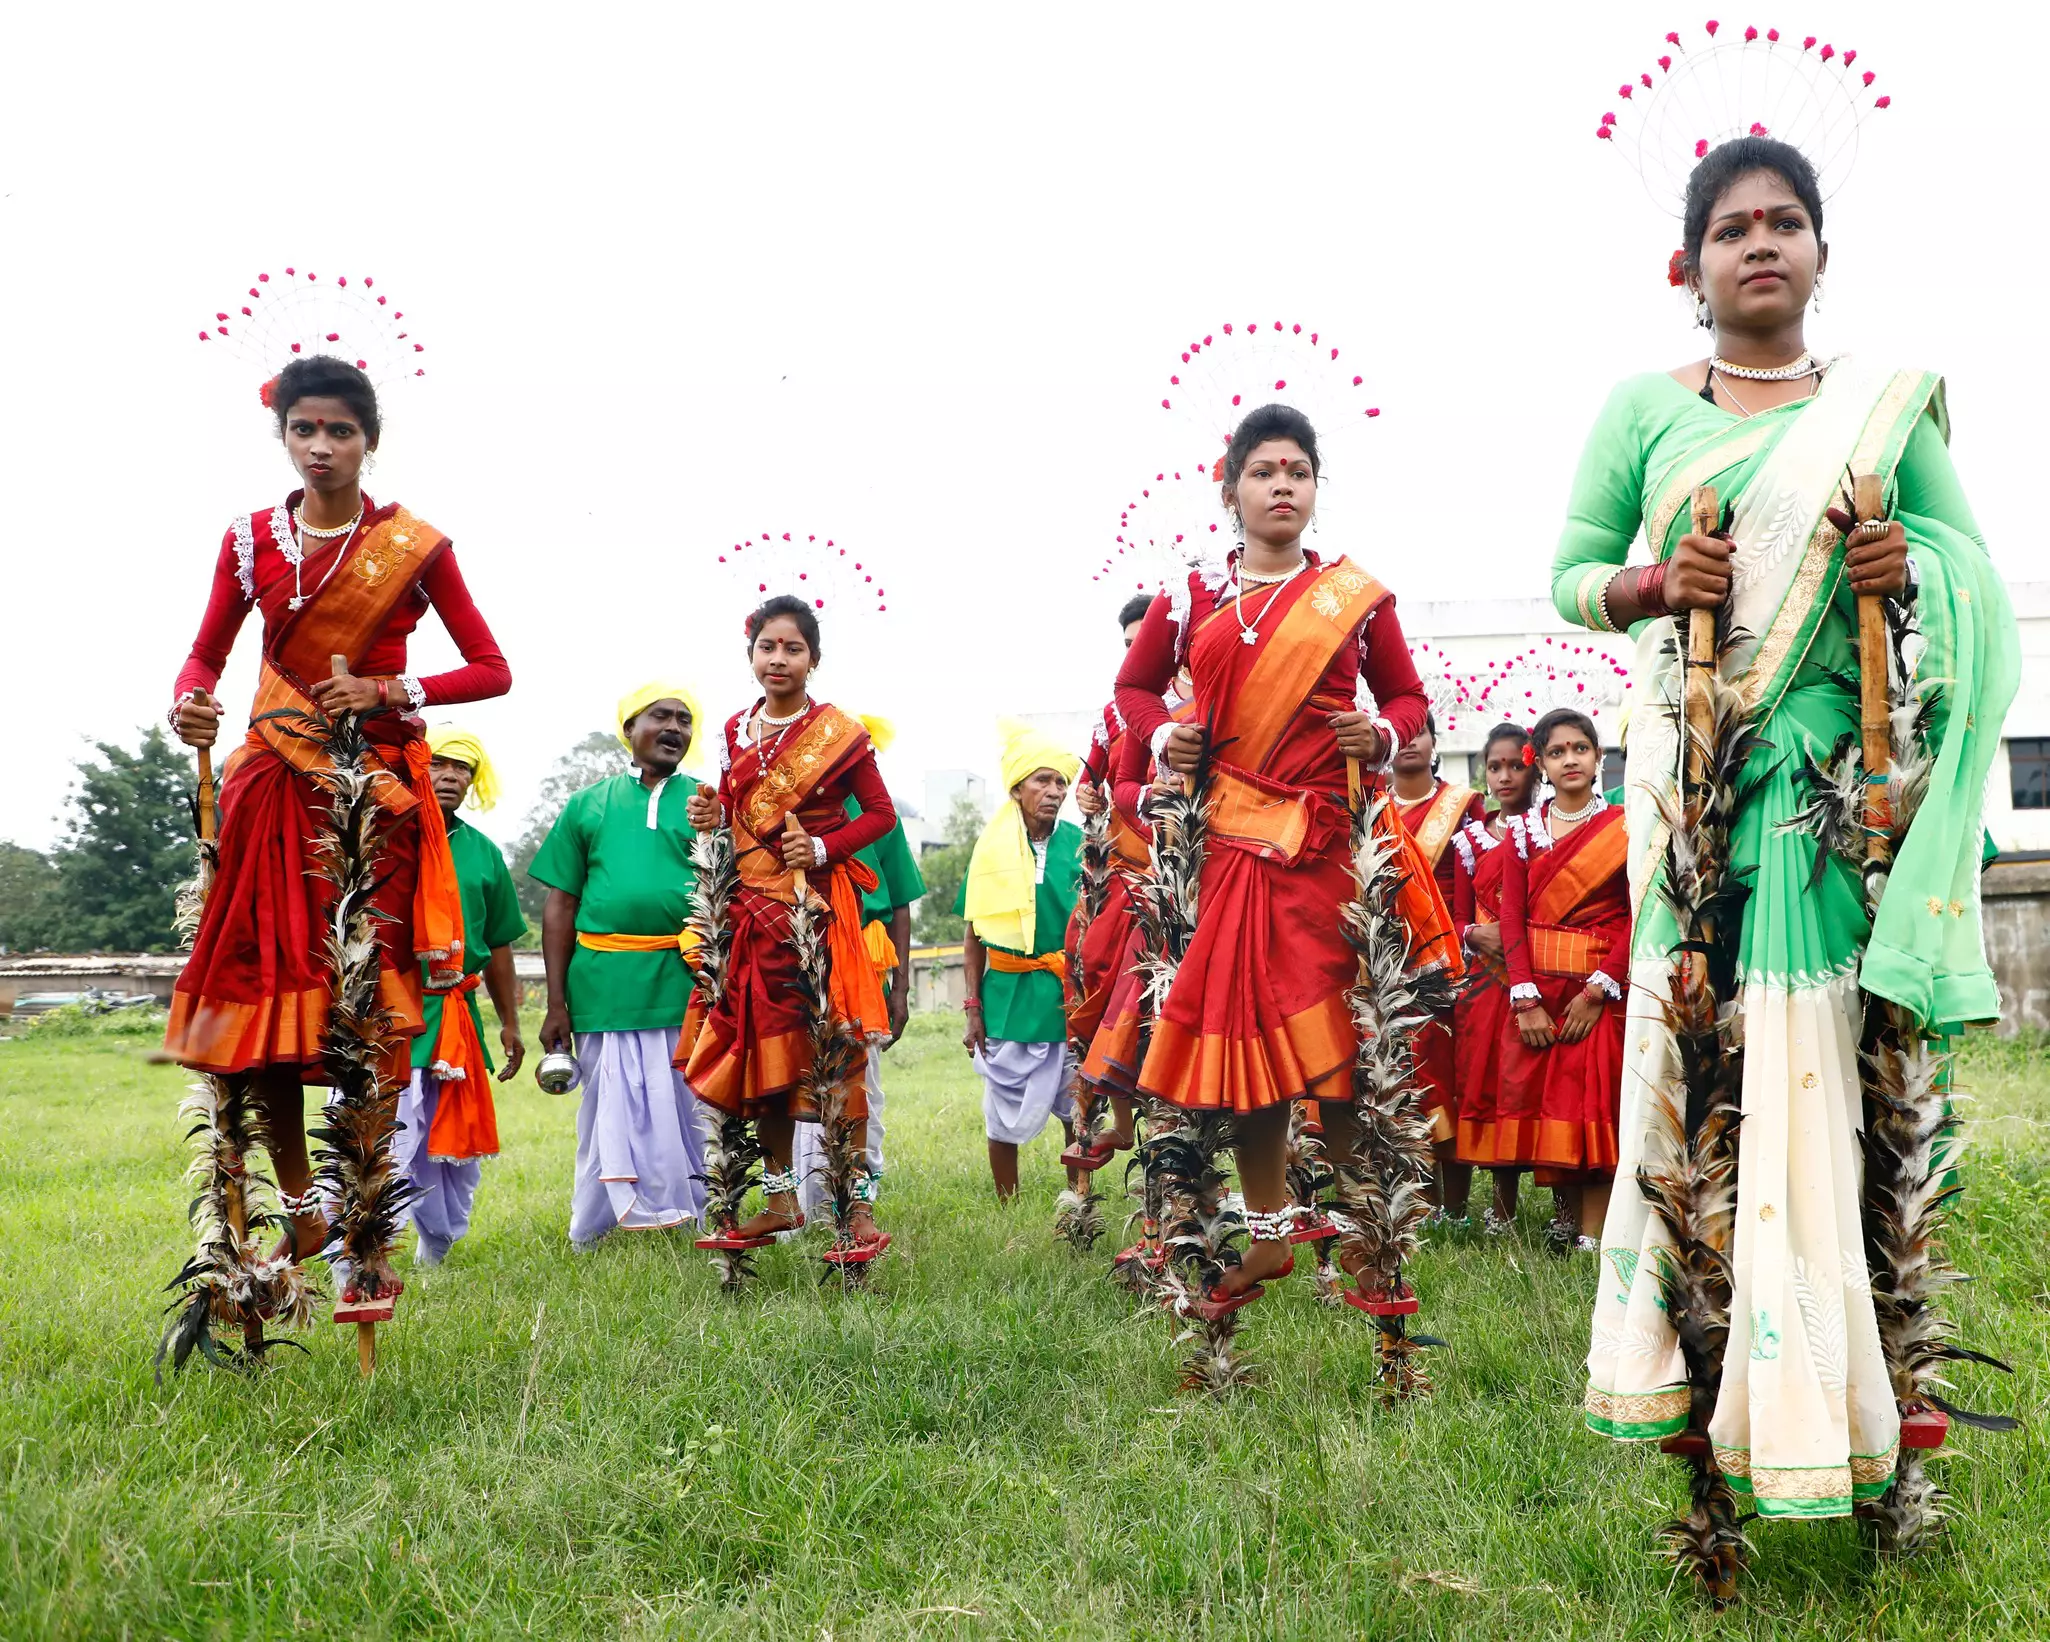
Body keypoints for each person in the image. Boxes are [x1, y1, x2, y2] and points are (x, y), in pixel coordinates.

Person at [1560, 135, 2017, 1518]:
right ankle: (1708, 1398)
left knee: (1823, 1078)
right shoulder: (1641, 406)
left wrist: (1905, 562)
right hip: (1693, 787)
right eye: (1731, 229)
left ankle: (1847, 1418)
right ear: (1686, 268)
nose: (1759, 244)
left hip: (1833, 795)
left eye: (1784, 223)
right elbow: (1571, 574)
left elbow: (1973, 581)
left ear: (1819, 252)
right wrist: (1650, 581)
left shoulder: (1885, 413)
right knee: (1701, 1074)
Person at [165, 355, 511, 1303]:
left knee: (363, 1000)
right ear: (282, 435)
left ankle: (359, 1213)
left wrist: (391, 688)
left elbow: (491, 668)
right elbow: (207, 653)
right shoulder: (248, 542)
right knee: (258, 1001)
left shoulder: (416, 547)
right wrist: (192, 701)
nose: (321, 448)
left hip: (367, 798)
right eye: (303, 430)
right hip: (269, 787)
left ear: (370, 439)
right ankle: (297, 1203)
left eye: (340, 431)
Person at [1113, 402, 1453, 1305]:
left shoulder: (1353, 597)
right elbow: (1134, 689)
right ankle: (1267, 1235)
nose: (1281, 486)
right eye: (1264, 472)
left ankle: (1368, 1231)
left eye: (1297, 472)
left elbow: (1411, 700)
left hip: (1327, 854)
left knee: (1336, 1050)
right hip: (1229, 850)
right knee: (1249, 1054)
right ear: (1230, 491)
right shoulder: (1188, 598)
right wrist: (1161, 740)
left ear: (1315, 490)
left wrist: (1378, 731)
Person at [681, 597, 897, 1249]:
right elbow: (733, 810)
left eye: (793, 648)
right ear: (750, 653)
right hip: (754, 913)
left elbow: (880, 814)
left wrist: (826, 848)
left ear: (814, 660)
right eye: (768, 646)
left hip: (820, 912)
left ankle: (854, 1210)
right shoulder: (730, 732)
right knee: (765, 1059)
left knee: (838, 1057)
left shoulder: (838, 733)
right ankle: (779, 1201)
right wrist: (711, 818)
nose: (779, 659)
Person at [530, 682, 707, 1246]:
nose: (675, 728)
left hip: (686, 979)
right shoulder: (588, 804)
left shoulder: (708, 803)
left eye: (684, 719)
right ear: (629, 729)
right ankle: (594, 1227)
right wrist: (557, 1003)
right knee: (607, 1109)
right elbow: (560, 906)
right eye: (661, 716)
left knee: (691, 1107)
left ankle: (698, 1217)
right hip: (602, 983)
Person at [1495, 709, 1627, 1251]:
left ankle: (1593, 1236)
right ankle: (1567, 1222)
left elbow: (1640, 912)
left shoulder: (1626, 827)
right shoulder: (1525, 830)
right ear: (1541, 765)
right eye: (1557, 751)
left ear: (1598, 757)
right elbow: (1510, 917)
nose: (1570, 759)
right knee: (1554, 1106)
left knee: (1594, 1103)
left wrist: (1600, 989)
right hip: (1541, 993)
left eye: (1580, 748)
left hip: (1598, 990)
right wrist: (1523, 996)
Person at [397, 725, 526, 1265]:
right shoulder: (387, 839)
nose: (450, 776)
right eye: (440, 764)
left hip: (458, 1013)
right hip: (394, 1010)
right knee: (386, 1137)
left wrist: (510, 1023)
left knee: (451, 1143)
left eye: (463, 768)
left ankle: (438, 1247)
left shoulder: (483, 853)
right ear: (416, 768)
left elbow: (497, 946)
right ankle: (357, 1253)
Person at [790, 714, 926, 1226]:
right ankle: (801, 1205)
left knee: (858, 1084)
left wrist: (902, 990)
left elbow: (900, 906)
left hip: (865, 967)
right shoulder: (788, 809)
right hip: (799, 953)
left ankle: (852, 1205)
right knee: (797, 1076)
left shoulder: (876, 816)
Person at [960, 721, 1083, 1199]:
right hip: (1007, 997)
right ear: (1017, 787)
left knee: (1078, 1105)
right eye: (1042, 780)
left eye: (1060, 783)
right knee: (1000, 1109)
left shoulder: (1081, 843)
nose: (1054, 792)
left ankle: (1079, 1197)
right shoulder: (989, 850)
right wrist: (973, 1007)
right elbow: (972, 935)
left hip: (1068, 995)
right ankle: (1006, 1203)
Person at [1066, 592, 1156, 1161]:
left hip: (1190, 872)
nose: (1132, 656)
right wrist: (1086, 794)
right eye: (1126, 648)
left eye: (1141, 646)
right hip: (1123, 876)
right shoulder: (1114, 713)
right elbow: (1090, 781)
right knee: (1096, 964)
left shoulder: (1209, 701)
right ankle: (1120, 1121)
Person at [1388, 712, 1486, 1227]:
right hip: (1379, 963)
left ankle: (1454, 1207)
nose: (1408, 743)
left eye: (1417, 733)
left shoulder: (1464, 807)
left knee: (1444, 1073)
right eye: (1399, 735)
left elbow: (1481, 883)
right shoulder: (1370, 808)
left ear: (1433, 741)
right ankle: (1408, 1202)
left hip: (1445, 962)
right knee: (1392, 1078)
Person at [1449, 721, 1537, 1233]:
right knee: (1493, 1083)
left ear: (1534, 769)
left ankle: (1566, 1210)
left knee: (1535, 1085)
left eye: (1516, 766)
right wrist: (1471, 934)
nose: (1505, 776)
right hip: (1485, 982)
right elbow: (1457, 915)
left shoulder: (1550, 830)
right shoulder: (1470, 841)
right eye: (1495, 766)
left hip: (1537, 975)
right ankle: (1503, 1204)